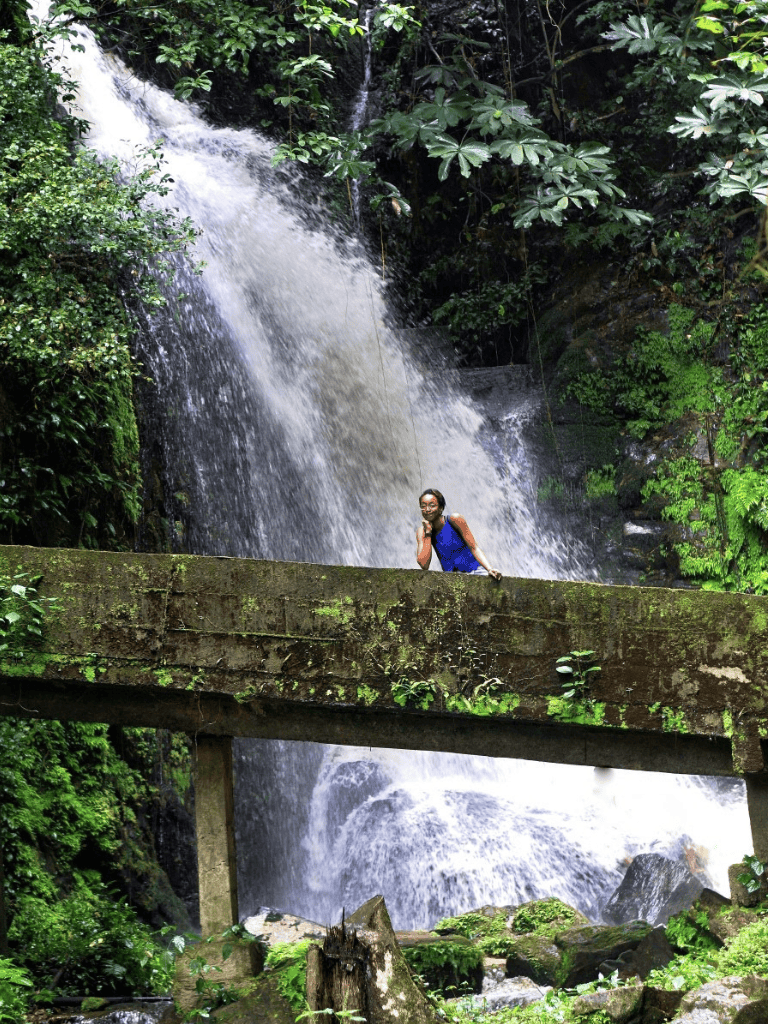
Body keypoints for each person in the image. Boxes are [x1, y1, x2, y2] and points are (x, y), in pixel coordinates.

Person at [415, 488, 502, 580]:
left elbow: (474, 547)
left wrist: (489, 569)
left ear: (440, 508)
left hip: (475, 571)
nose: (427, 509)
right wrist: (428, 533)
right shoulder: (422, 531)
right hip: (451, 579)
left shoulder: (454, 519)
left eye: (432, 505)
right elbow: (424, 565)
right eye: (423, 506)